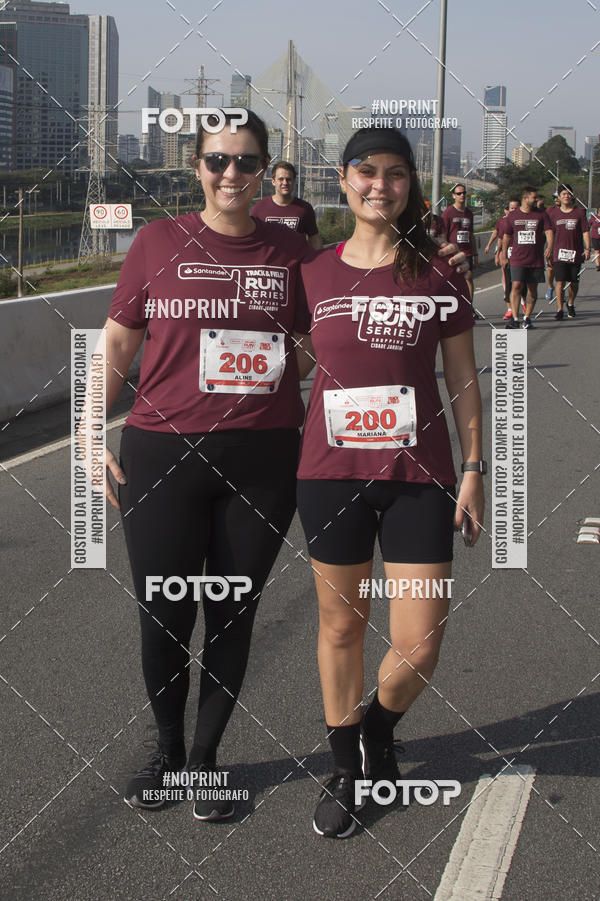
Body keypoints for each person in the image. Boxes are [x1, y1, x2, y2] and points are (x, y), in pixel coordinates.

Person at [101, 110, 316, 821]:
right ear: (196, 166)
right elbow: (118, 344)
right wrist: (87, 432)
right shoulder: (156, 242)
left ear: (264, 171)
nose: (232, 173)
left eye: (247, 161)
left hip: (262, 457)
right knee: (163, 611)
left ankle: (204, 759)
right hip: (162, 453)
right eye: (218, 160)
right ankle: (166, 750)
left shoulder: (292, 252)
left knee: (231, 612)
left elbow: (318, 339)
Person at [295, 127, 484, 839]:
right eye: (367, 171)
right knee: (342, 626)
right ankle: (347, 766)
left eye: (396, 173)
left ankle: (379, 726)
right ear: (344, 179)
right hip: (330, 474)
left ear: (411, 184)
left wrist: (475, 466)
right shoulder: (312, 272)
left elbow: (462, 377)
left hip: (419, 477)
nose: (381, 184)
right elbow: (288, 360)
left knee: (420, 642)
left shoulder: (439, 271)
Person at [502, 186, 553, 329]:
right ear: (525, 198)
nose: (536, 200)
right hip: (517, 258)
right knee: (516, 285)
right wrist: (504, 255)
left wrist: (549, 247)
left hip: (535, 259)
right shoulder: (513, 215)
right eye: (533, 197)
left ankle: (527, 318)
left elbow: (549, 231)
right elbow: (506, 236)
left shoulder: (541, 215)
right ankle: (515, 318)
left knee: (532, 289)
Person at [252, 160, 323, 249]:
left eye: (288, 179)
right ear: (273, 181)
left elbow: (314, 238)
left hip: (297, 258)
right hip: (268, 258)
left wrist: (319, 256)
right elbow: (252, 238)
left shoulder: (305, 208)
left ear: (294, 181)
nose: (285, 183)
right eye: (281, 179)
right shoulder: (259, 208)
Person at [551, 183, 590, 320]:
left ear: (572, 196)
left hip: (575, 253)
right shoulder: (554, 213)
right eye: (563, 194)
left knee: (574, 282)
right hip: (559, 253)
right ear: (559, 197)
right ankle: (559, 309)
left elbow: (585, 231)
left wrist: (587, 248)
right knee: (560, 282)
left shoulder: (579, 213)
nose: (566, 196)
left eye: (568, 194)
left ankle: (571, 303)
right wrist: (549, 249)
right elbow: (550, 233)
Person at [442, 183, 479, 314]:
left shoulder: (469, 213)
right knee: (453, 281)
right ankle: (453, 308)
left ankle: (469, 307)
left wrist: (475, 254)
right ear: (454, 196)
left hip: (467, 252)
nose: (462, 195)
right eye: (459, 193)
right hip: (453, 254)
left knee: (468, 278)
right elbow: (443, 235)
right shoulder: (448, 213)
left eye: (464, 193)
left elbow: (471, 234)